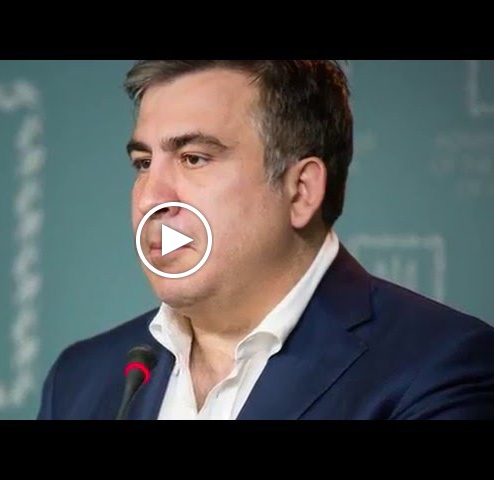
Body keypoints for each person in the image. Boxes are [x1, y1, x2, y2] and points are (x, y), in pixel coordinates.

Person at [37, 60, 494, 420]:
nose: (149, 198)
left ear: (301, 190)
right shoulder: (80, 381)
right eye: (143, 163)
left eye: (194, 158)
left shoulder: (440, 367)